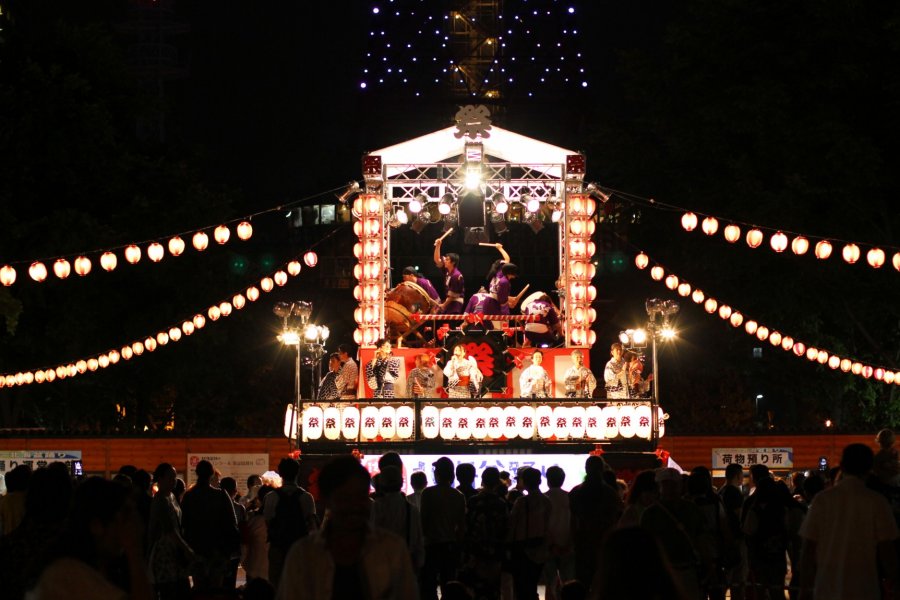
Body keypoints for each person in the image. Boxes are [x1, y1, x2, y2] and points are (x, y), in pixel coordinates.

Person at [275, 456, 418, 600]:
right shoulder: (303, 555)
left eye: (361, 496)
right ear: (326, 499)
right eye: (345, 498)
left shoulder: (393, 551)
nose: (355, 505)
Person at [799, 443, 899, 600]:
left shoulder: (822, 500)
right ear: (870, 468)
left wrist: (805, 588)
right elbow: (887, 550)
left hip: (826, 589)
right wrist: (894, 580)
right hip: (865, 589)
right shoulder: (877, 502)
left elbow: (808, 549)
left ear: (842, 466)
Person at [29, 476, 153, 600]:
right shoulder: (70, 574)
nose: (135, 525)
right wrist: (134, 551)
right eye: (125, 518)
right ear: (96, 525)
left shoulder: (82, 566)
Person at [180, 460, 239, 592]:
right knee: (215, 589)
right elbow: (232, 523)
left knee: (200, 589)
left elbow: (183, 523)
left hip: (196, 549)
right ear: (212, 474)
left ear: (196, 473)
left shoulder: (189, 496)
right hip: (217, 550)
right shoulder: (221, 495)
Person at [264, 458, 317, 588]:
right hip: (300, 547)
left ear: (280, 473)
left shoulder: (271, 497)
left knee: (276, 584)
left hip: (277, 545)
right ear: (297, 472)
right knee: (299, 584)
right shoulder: (306, 497)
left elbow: (268, 521)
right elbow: (312, 524)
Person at [420, 457, 467, 600]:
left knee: (429, 585)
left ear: (437, 474)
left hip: (431, 545)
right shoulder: (458, 496)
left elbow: (423, 521)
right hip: (450, 546)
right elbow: (461, 525)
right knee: (449, 583)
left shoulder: (428, 493)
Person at [147, 463, 194, 600]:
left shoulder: (171, 496)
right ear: (160, 479)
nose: (174, 481)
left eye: (174, 478)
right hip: (164, 552)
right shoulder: (161, 499)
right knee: (170, 590)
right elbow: (169, 529)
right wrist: (186, 549)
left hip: (174, 550)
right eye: (170, 478)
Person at [463, 467, 508, 600]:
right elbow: (505, 528)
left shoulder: (473, 501)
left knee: (476, 590)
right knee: (493, 590)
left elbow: (467, 526)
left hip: (475, 552)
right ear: (497, 483)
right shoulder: (501, 503)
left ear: (482, 480)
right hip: (495, 552)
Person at [508, 467, 552, 600]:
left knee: (522, 587)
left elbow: (512, 526)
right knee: (532, 583)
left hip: (522, 548)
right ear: (539, 481)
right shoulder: (546, 501)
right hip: (540, 547)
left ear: (525, 482)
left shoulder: (521, 502)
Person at [370, 465, 425, 570]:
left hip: (382, 565)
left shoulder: (376, 507)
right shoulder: (412, 510)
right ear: (401, 483)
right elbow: (419, 543)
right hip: (406, 564)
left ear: (382, 484)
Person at [544, 466, 574, 600]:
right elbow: (575, 522)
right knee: (568, 583)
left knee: (550, 584)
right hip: (568, 546)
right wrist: (569, 544)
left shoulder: (544, 499)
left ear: (548, 480)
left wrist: (552, 545)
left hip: (549, 547)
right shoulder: (570, 497)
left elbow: (543, 525)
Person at [433, 238, 465, 315]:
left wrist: (444, 305)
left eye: (447, 260)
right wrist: (438, 245)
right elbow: (437, 260)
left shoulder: (456, 275)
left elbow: (453, 295)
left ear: (453, 262)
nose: (445, 261)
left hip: (456, 302)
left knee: (450, 324)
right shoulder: (448, 271)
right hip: (449, 301)